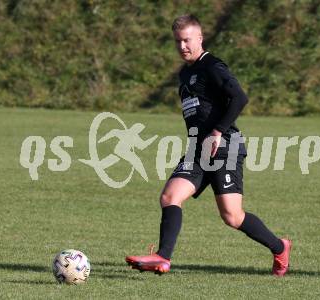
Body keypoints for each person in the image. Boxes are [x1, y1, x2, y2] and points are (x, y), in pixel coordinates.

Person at [125, 14, 291, 277]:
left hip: (225, 147)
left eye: (187, 40)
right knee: (170, 197)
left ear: (200, 38)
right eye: (178, 41)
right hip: (198, 151)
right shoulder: (185, 73)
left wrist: (216, 132)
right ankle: (162, 257)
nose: (182, 47)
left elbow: (239, 97)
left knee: (232, 217)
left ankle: (280, 247)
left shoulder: (212, 66)